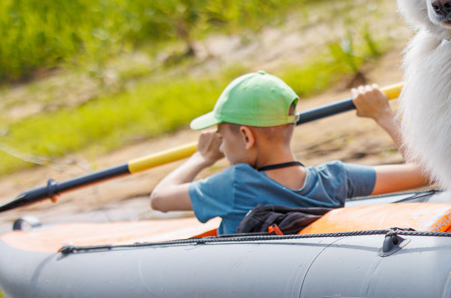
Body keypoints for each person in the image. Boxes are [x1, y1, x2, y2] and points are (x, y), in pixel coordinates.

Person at [150, 71, 429, 234]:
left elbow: (160, 199)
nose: (221, 147)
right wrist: (384, 116)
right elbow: (425, 172)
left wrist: (202, 158)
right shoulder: (335, 179)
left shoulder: (234, 185)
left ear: (246, 136)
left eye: (222, 136)